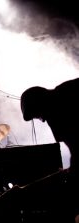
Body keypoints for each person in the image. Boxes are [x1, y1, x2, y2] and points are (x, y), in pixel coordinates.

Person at [20, 77, 79, 223]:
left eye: (39, 115)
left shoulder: (59, 110)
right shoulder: (65, 91)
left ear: (41, 104)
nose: (43, 120)